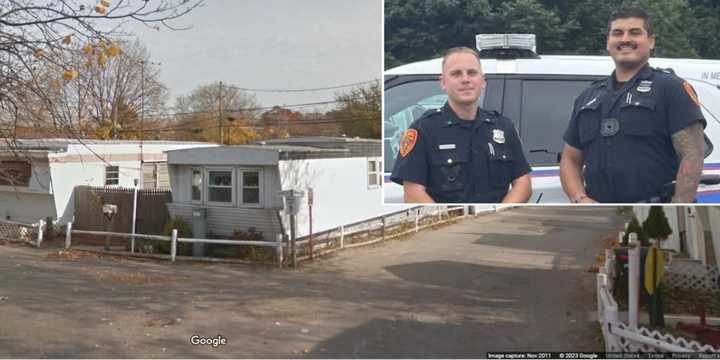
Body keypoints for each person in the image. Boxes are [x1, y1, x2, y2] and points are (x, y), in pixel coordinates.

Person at [560, 7, 706, 203]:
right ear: (608, 41)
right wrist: (580, 199)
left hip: (654, 218)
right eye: (617, 33)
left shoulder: (671, 88)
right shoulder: (588, 96)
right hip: (601, 220)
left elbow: (692, 154)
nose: (625, 39)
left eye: (635, 32)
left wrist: (676, 211)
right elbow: (570, 159)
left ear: (651, 41)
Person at [390, 47, 532, 203]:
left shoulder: (504, 127)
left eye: (472, 73)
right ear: (443, 82)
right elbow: (413, 193)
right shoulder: (424, 130)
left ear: (482, 81)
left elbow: (523, 183)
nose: (465, 79)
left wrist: (499, 215)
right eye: (456, 74)